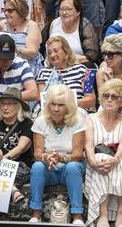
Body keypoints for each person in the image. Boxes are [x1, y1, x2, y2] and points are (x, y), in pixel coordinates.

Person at [83, 79, 122, 227]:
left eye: (114, 97)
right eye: (106, 96)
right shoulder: (91, 118)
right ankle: (102, 215)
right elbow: (88, 144)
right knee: (100, 157)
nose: (109, 99)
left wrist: (115, 159)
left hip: (118, 159)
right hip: (95, 162)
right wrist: (92, 160)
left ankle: (121, 213)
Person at [30, 84, 85, 224]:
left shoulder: (77, 121)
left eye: (60, 105)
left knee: (73, 166)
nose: (55, 109)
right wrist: (46, 157)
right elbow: (37, 153)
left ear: (68, 106)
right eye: (52, 104)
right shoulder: (40, 121)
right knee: (37, 167)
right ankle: (36, 214)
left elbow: (78, 154)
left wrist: (62, 158)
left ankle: (77, 215)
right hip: (50, 168)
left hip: (69, 168)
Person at [0, 88, 33, 208]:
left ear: (19, 106)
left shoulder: (27, 124)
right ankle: (13, 191)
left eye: (10, 104)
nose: (5, 107)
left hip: (18, 164)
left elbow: (20, 148)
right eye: (3, 104)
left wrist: (2, 160)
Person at [38, 36, 96, 110]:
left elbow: (91, 100)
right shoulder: (43, 73)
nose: (52, 55)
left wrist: (65, 105)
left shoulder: (84, 70)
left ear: (66, 52)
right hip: (51, 114)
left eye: (56, 51)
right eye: (49, 53)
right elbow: (43, 101)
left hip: (76, 112)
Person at [47, 0, 100, 67]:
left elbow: (92, 56)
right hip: (54, 66)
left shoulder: (86, 26)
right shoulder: (54, 24)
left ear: (78, 12)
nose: (64, 13)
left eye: (68, 9)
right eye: (61, 9)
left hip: (78, 66)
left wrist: (66, 60)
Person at [0, 0, 44, 76]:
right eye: (4, 10)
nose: (6, 13)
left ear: (20, 11)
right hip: (6, 65)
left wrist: (15, 49)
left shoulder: (31, 26)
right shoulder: (2, 24)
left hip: (27, 67)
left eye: (10, 11)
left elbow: (32, 53)